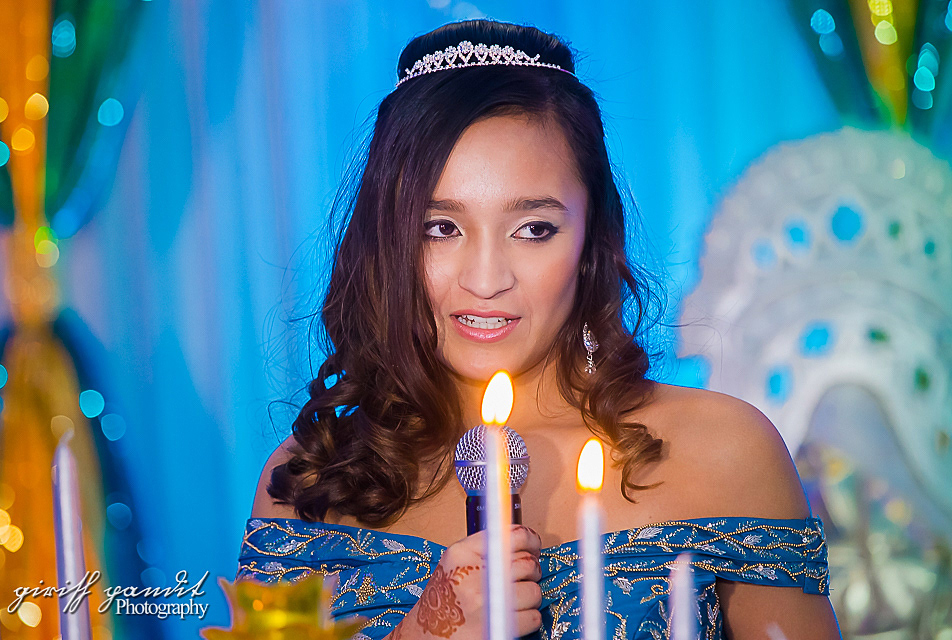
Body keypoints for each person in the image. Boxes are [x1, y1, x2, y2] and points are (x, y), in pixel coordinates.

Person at [238, 19, 841, 640]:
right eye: (441, 228)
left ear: (592, 238)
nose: (486, 279)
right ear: (389, 241)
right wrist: (428, 631)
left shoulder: (722, 452)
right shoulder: (309, 483)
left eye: (533, 230)